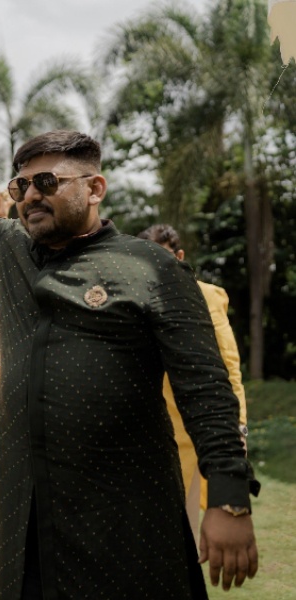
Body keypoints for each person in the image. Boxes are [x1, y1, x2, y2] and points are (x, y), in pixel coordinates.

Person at [0, 73, 259, 598]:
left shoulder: (149, 268)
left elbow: (207, 389)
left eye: (48, 183)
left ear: (95, 188)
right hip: (23, 519)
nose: (30, 196)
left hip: (126, 520)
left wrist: (228, 499)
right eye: (21, 186)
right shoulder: (10, 251)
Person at [138, 223, 249, 540]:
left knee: (181, 532)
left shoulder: (208, 297)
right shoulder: (131, 299)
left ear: (180, 255)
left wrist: (237, 426)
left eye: (163, 256)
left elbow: (228, 365)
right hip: (140, 431)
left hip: (189, 433)